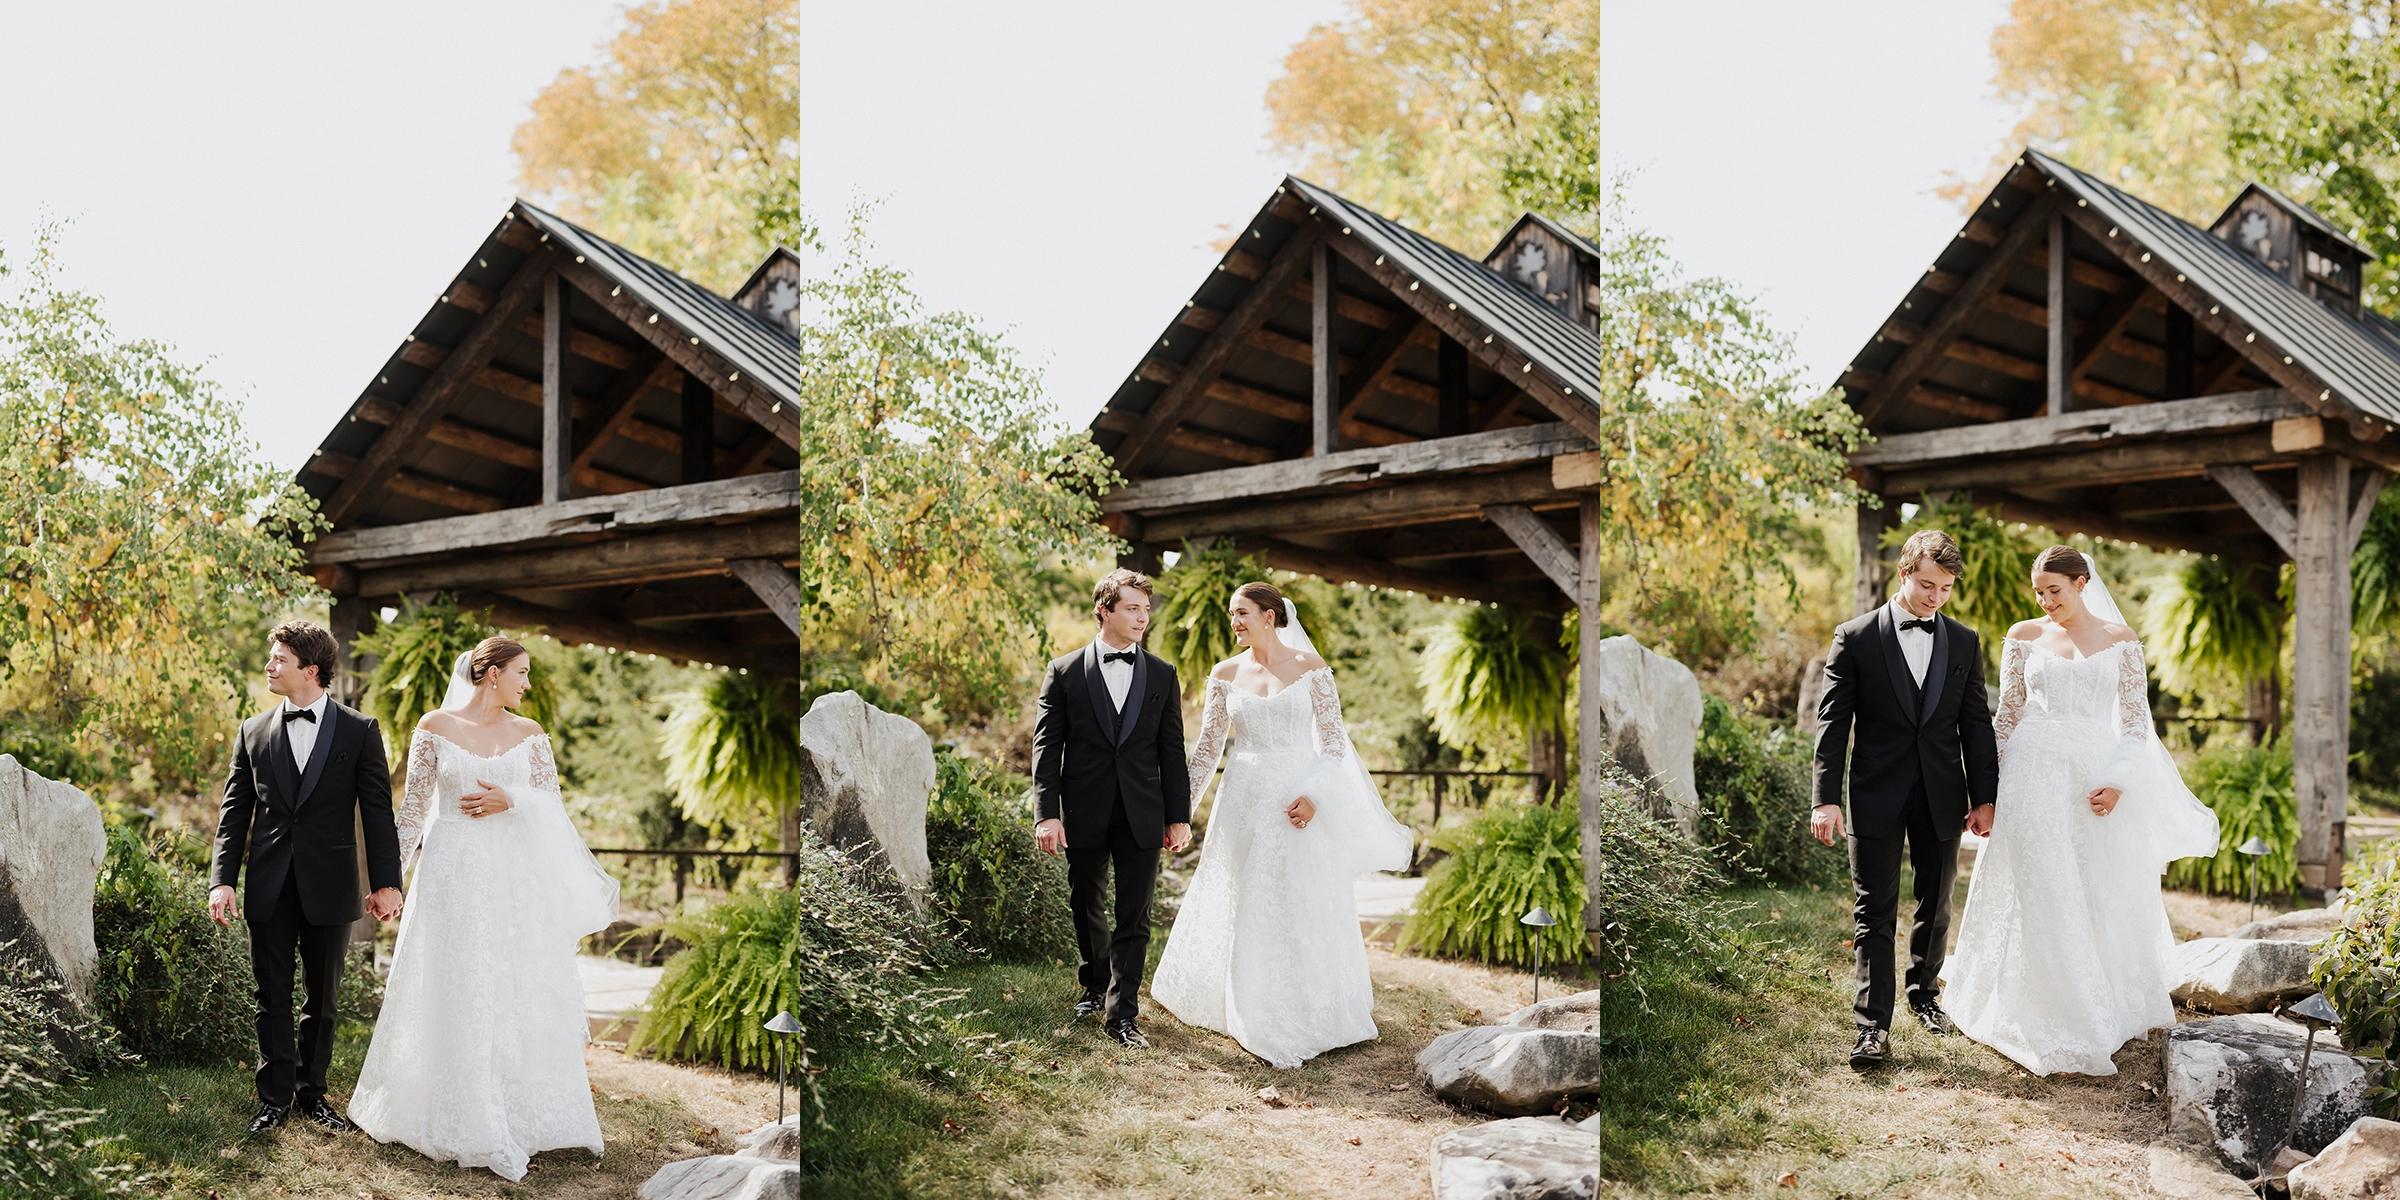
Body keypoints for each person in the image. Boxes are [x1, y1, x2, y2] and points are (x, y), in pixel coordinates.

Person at [347, 637, 619, 1180]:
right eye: (521, 673)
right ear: (491, 673)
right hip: (450, 877)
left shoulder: (531, 735)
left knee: (512, 987)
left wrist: (510, 799)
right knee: (456, 985)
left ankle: (517, 1111)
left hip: (513, 883)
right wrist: (387, 882)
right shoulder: (435, 726)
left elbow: (554, 811)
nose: (527, 683)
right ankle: (456, 1110)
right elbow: (413, 811)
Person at [1940, 546, 2219, 1075]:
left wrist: (2115, 783)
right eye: (2039, 592)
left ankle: (2098, 1001)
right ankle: (2036, 1005)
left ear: (2082, 582)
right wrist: (1986, 792)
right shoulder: (2023, 637)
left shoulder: (2121, 642)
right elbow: (2007, 717)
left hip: (2093, 779)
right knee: (2040, 884)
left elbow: (2137, 726)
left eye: (2055, 591)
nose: (2046, 601)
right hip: (2030, 776)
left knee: (2092, 886)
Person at [1151, 582, 1414, 1069]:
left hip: (1298, 802)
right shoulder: (1224, 674)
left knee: (1299, 899)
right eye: (1232, 614)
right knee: (1244, 895)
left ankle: (1309, 1010)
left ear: (1271, 616)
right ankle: (1245, 1004)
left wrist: (1314, 797)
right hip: (1243, 801)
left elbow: (1335, 746)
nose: (1235, 622)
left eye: (1242, 613)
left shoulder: (1313, 671)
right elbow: (1207, 751)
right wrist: (1179, 812)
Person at [1811, 529, 2001, 1069]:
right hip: (1874, 792)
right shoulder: (1855, 637)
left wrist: (1984, 796)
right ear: (1903, 574)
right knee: (1874, 910)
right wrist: (1825, 799)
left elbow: (1975, 725)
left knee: (1937, 903)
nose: (1934, 597)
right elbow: (1832, 726)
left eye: (1944, 589)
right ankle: (1872, 1026)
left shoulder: (1964, 641)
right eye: (1926, 585)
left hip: (1943, 794)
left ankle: (1924, 994)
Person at [209, 620, 404, 1135]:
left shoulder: (359, 730)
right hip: (268, 884)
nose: (269, 666)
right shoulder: (252, 731)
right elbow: (235, 813)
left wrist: (388, 883)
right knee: (270, 996)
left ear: (310, 670)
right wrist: (221, 880)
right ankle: (273, 1099)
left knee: (324, 998)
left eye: (278, 659)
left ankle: (313, 1094)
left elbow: (378, 812)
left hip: (332, 883)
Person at [1031, 569, 1193, 1049]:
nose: (1143, 617)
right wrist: (1047, 812)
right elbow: (1046, 746)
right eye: (1132, 608)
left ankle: (1122, 1014)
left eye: (1146, 609)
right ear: (1105, 610)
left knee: (1135, 915)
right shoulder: (1063, 672)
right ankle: (1095, 983)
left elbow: (1171, 750)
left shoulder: (1162, 673)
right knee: (1086, 904)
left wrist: (1179, 815)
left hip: (1144, 810)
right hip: (1083, 808)